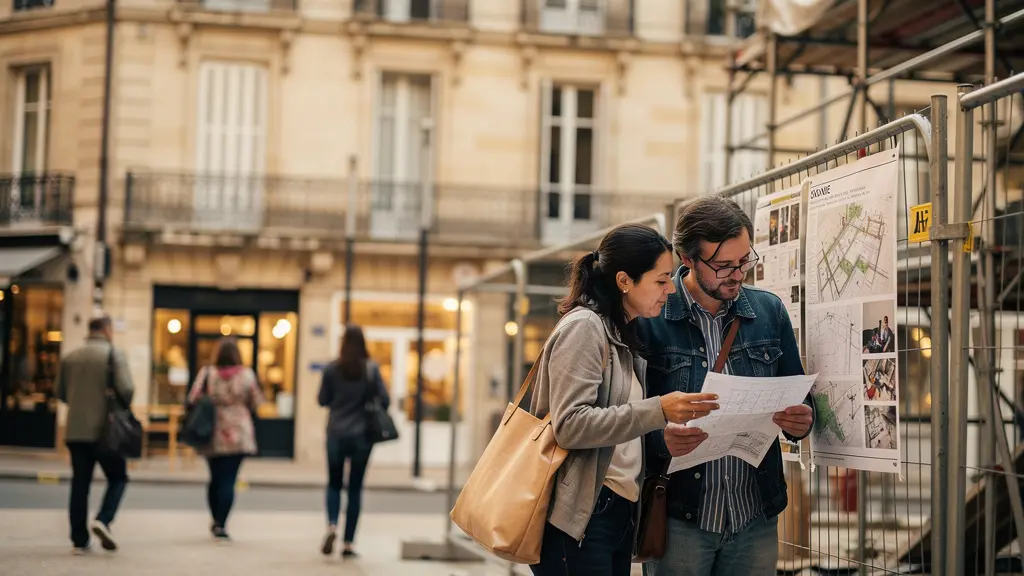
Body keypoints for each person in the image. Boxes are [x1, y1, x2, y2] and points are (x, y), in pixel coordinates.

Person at [528, 223, 722, 576]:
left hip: (615, 510)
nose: (670, 291)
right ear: (624, 281)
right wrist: (658, 410)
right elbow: (570, 425)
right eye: (661, 281)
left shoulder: (618, 331)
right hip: (582, 516)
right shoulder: (585, 327)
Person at [637, 196, 816, 576]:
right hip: (681, 517)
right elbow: (626, 417)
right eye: (723, 266)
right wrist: (659, 439)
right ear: (687, 259)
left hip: (755, 514)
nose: (738, 275)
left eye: (744, 262)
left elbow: (800, 396)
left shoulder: (769, 311)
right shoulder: (652, 319)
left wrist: (803, 420)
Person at [56, 312, 135, 555]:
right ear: (107, 329)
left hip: (75, 430)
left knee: (80, 483)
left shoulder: (70, 357)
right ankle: (103, 518)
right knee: (118, 477)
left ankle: (79, 540)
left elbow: (60, 393)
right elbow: (128, 389)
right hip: (105, 431)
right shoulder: (114, 354)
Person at [318, 324, 390, 558]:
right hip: (362, 435)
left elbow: (322, 400)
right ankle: (348, 543)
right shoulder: (370, 369)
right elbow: (385, 400)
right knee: (356, 488)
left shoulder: (331, 369)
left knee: (334, 483)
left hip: (336, 433)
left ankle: (331, 525)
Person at [187, 337, 263, 542]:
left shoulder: (207, 373)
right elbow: (257, 401)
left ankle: (215, 517)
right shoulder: (247, 375)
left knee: (215, 478)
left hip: (213, 430)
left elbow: (193, 397)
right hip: (238, 432)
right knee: (229, 479)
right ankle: (221, 523)